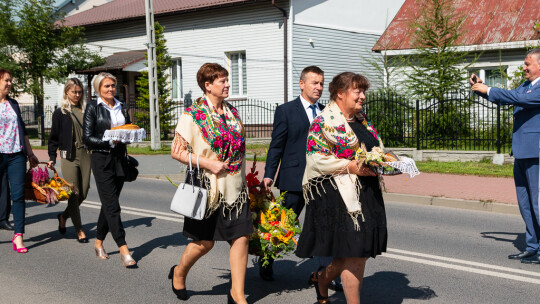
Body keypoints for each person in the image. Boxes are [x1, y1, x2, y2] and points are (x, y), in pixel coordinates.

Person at [296, 72, 387, 304]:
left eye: (363, 91)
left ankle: (322, 279)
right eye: (358, 91)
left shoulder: (362, 120)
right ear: (340, 93)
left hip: (366, 193)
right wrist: (351, 166)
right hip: (336, 195)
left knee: (359, 253)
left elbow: (374, 149)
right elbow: (316, 160)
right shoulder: (324, 122)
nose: (363, 97)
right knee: (353, 253)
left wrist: (388, 160)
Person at [170, 63, 251, 304]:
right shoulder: (192, 115)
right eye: (222, 81)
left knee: (241, 237)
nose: (227, 85)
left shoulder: (232, 113)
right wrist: (208, 163)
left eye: (227, 80)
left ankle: (237, 294)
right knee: (204, 243)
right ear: (208, 85)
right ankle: (179, 272)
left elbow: (240, 151)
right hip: (208, 189)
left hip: (235, 189)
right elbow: (177, 152)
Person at [262, 66, 337, 284]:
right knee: (283, 226)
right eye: (315, 83)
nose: (319, 87)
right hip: (293, 178)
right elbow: (276, 146)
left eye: (322, 83)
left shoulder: (327, 111)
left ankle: (326, 274)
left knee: (324, 226)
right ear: (302, 84)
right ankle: (267, 261)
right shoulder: (286, 111)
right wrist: (269, 174)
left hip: (321, 180)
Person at [471, 49, 540, 264]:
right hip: (521, 152)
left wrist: (489, 88)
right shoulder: (527, 86)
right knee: (525, 204)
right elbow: (508, 98)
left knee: (538, 204)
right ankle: (532, 246)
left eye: (528, 63)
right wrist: (480, 88)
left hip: (536, 153)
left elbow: (516, 97)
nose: (524, 67)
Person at [82, 72, 136, 267]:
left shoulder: (122, 105)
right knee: (113, 205)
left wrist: (130, 136)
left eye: (113, 85)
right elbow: (87, 138)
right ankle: (124, 248)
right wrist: (109, 141)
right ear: (98, 89)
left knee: (108, 203)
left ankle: (98, 242)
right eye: (106, 86)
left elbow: (127, 128)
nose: (111, 89)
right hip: (101, 159)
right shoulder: (92, 108)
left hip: (119, 158)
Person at [0, 68, 40, 253]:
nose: (10, 83)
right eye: (6, 80)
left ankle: (18, 236)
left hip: (16, 155)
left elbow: (22, 131)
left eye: (10, 80)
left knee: (18, 196)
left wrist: (30, 154)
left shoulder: (13, 104)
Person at [48, 78, 91, 243]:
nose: (77, 95)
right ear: (67, 92)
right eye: (74, 92)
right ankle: (79, 230)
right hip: (68, 156)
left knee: (84, 191)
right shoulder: (60, 112)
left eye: (80, 92)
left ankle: (63, 216)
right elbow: (53, 138)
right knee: (74, 192)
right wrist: (52, 157)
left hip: (86, 153)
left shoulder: (87, 110)